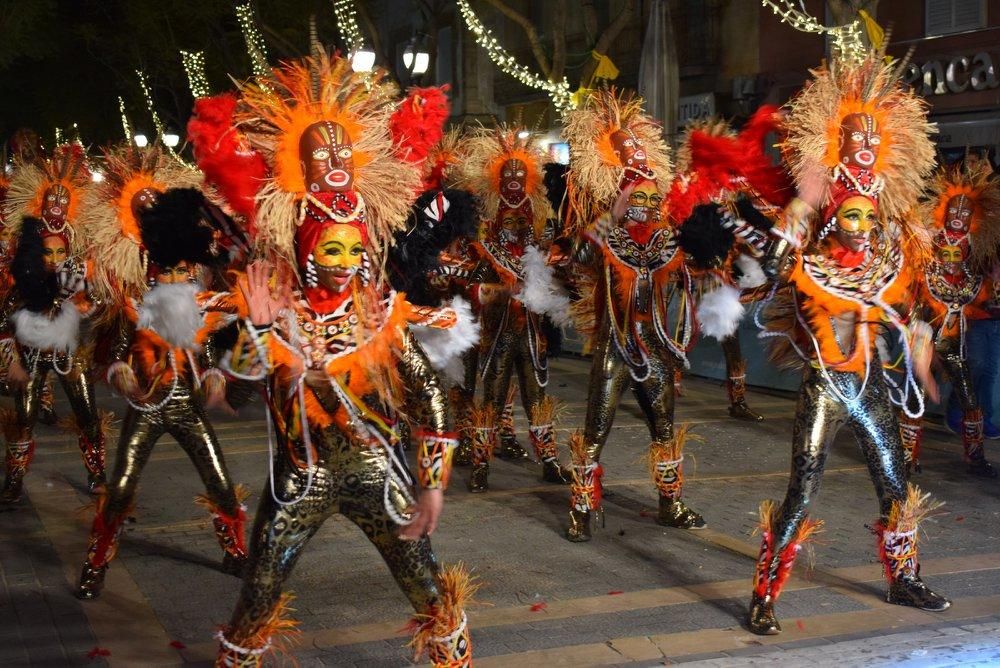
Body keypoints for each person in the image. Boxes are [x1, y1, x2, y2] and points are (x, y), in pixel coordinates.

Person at [190, 50, 474, 666]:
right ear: (303, 248)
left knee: (431, 594)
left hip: (378, 475)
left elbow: (428, 394)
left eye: (353, 248)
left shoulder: (379, 315)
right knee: (258, 595)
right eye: (330, 248)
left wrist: (432, 485)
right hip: (298, 483)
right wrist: (260, 334)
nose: (343, 262)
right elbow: (233, 397)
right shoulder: (276, 312)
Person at [748, 51, 950, 636]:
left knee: (894, 484)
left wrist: (920, 344)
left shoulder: (887, 268)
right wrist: (803, 202)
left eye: (868, 217)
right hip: (826, 389)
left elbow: (913, 312)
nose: (861, 226)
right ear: (835, 221)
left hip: (872, 388)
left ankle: (904, 578)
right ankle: (765, 593)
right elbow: (770, 260)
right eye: (851, 217)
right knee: (802, 490)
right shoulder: (808, 268)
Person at [74, 144, 250, 598]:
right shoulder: (130, 298)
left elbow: (206, 345)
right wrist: (122, 374)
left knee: (221, 481)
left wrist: (213, 376)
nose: (174, 277)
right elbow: (111, 349)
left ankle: (235, 550)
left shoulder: (200, 292)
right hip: (146, 405)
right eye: (166, 271)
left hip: (188, 405)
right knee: (121, 487)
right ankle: (96, 563)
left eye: (182, 271)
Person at [560, 89, 705, 542]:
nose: (642, 204)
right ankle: (582, 508)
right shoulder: (607, 239)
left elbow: (699, 268)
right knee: (596, 426)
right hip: (615, 346)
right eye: (632, 197)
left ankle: (671, 503)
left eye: (648, 197)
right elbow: (577, 256)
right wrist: (611, 215)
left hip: (656, 346)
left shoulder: (667, 242)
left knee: (663, 425)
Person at [460, 125, 572, 491]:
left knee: (536, 396)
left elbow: (556, 279)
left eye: (520, 176)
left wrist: (555, 273)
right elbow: (471, 287)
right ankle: (480, 464)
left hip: (531, 336)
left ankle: (550, 460)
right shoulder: (483, 246)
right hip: (496, 337)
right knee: (490, 396)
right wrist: (502, 290)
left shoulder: (540, 244)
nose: (514, 181)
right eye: (507, 175)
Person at [669, 107, 795, 421]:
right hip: (692, 268)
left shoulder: (736, 183)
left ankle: (737, 400)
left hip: (727, 269)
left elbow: (761, 211)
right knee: (682, 331)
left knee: (730, 334)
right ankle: (667, 387)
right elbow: (677, 219)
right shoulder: (689, 183)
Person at [0, 144, 106, 502]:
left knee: (87, 412)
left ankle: (97, 473)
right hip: (30, 357)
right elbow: (3, 322)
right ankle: (15, 478)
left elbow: (97, 302)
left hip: (67, 354)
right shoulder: (22, 287)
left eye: (60, 252)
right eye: (48, 252)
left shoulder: (75, 279)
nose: (54, 258)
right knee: (24, 417)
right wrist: (11, 362)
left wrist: (82, 302)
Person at [900, 155, 1000, 476]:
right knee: (916, 392)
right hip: (924, 329)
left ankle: (975, 457)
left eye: (965, 212)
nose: (958, 216)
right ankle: (905, 456)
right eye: (953, 210)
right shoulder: (928, 240)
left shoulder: (977, 251)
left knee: (970, 398)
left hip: (954, 340)